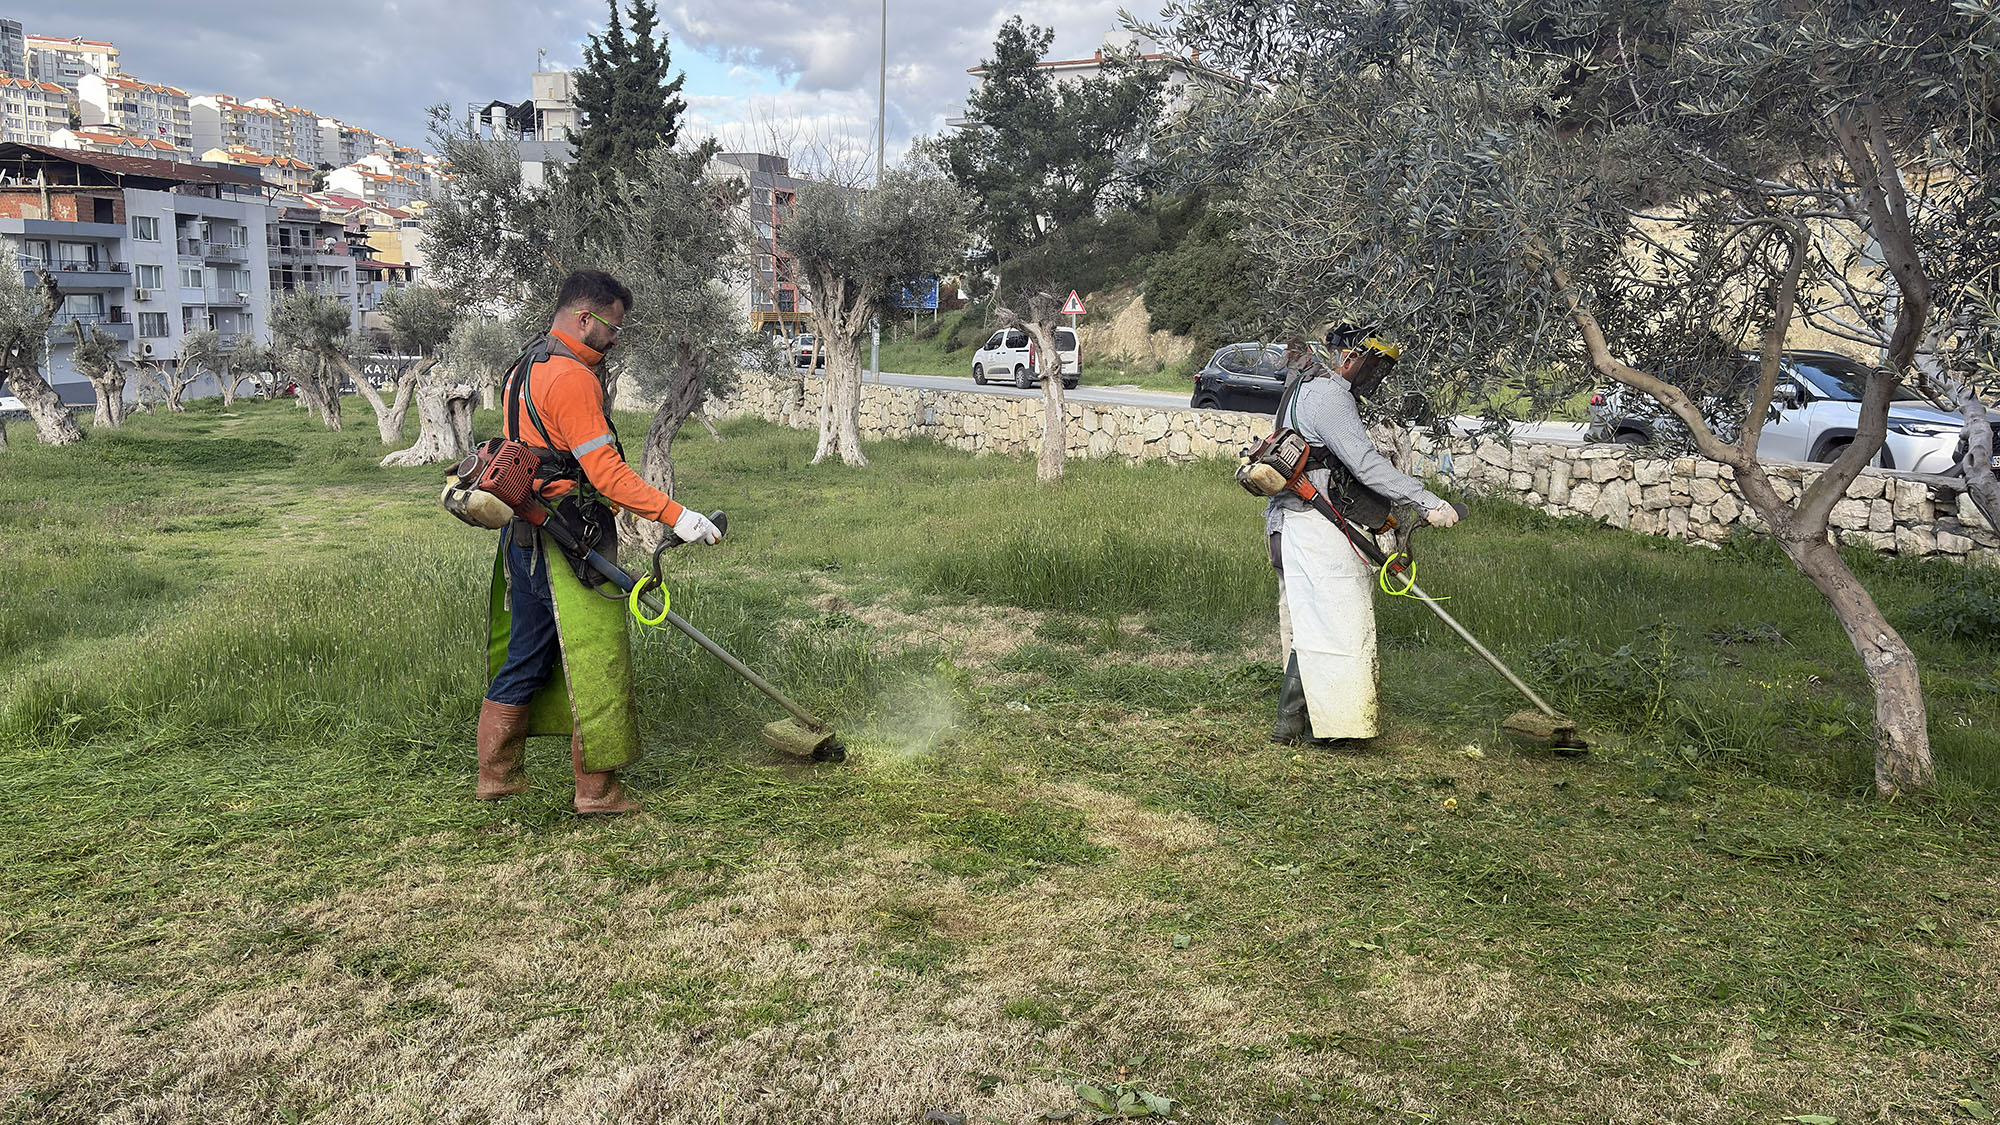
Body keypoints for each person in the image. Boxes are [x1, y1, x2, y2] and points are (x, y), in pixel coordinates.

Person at [475, 270, 723, 815]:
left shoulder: (525, 364)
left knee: (527, 653)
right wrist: (677, 516)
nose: (616, 338)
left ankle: (497, 776)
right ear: (585, 318)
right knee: (598, 660)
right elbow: (607, 475)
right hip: (571, 538)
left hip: (526, 532)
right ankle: (598, 790)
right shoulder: (571, 378)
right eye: (613, 326)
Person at [1267, 329, 1461, 745]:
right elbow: (1366, 465)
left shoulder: (1302, 386)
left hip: (1286, 524)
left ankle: (1297, 725)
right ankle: (1329, 727)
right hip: (1316, 530)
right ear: (1349, 356)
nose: (1375, 375)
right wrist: (1427, 502)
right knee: (1337, 626)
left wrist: (1381, 518)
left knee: (1307, 626)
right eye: (1373, 364)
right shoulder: (1332, 396)